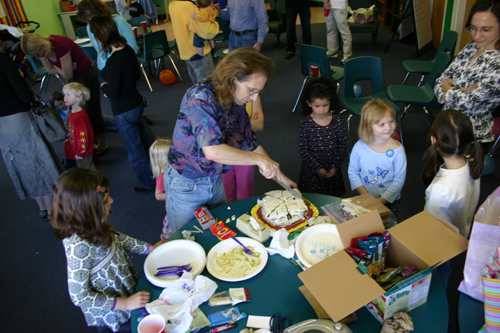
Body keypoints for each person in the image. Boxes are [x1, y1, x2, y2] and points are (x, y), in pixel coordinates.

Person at [166, 47, 296, 232]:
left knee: (219, 231)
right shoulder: (200, 97)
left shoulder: (236, 100)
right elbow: (213, 150)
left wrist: (281, 177)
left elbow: (249, 141)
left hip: (214, 179)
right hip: (186, 185)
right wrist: (260, 161)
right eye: (252, 90)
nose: (254, 98)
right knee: (188, 237)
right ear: (233, 78)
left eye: (258, 92)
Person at [49, 168, 165, 332]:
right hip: (112, 312)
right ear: (87, 210)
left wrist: (149, 249)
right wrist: (124, 304)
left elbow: (118, 238)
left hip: (125, 291)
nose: (111, 200)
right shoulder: (79, 248)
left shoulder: (91, 225)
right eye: (104, 201)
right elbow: (79, 296)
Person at [90, 14, 156, 193]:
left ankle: (148, 183)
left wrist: (104, 85)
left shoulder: (112, 62)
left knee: (135, 151)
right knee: (147, 139)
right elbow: (135, 76)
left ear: (101, 37)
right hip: (136, 103)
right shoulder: (127, 50)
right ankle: (163, 166)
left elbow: (113, 93)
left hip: (124, 110)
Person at [0, 49, 63, 219]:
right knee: (38, 159)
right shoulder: (3, 59)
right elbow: (24, 94)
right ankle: (52, 208)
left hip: (1, 127)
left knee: (21, 163)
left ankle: (42, 206)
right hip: (18, 118)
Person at [423, 110, 483, 286]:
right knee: (446, 267)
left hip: (439, 244)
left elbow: (428, 225)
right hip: (460, 233)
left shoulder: (440, 188)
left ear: (434, 141)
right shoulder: (473, 162)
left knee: (437, 274)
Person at [20, 33, 108, 153]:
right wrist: (63, 68)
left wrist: (63, 70)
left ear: (41, 47)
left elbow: (68, 74)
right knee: (79, 111)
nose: (37, 57)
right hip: (75, 79)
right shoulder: (43, 51)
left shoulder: (60, 45)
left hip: (87, 75)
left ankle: (101, 143)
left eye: (37, 54)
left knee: (92, 109)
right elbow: (51, 69)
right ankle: (90, 141)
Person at [434, 0, 500, 149]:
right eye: (473, 28)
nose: (477, 36)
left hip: (471, 137)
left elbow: (468, 102)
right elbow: (440, 81)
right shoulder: (470, 48)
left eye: (486, 29)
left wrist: (448, 88)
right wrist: (454, 91)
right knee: (437, 169)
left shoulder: (497, 63)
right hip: (447, 126)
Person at [348, 98, 407, 217]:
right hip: (365, 199)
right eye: (382, 124)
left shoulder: (398, 151)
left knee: (388, 229)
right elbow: (353, 172)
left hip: (389, 202)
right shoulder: (360, 147)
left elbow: (398, 180)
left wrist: (380, 202)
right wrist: (367, 197)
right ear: (369, 126)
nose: (389, 127)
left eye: (391, 121)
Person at [298, 77, 346, 197]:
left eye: (326, 105)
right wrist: (317, 168)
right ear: (309, 104)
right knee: (313, 199)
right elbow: (304, 150)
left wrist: (335, 166)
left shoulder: (337, 121)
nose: (322, 109)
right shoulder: (305, 124)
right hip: (312, 170)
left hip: (332, 167)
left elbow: (342, 145)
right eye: (317, 106)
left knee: (333, 199)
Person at [221, 97, 265, 203]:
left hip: (246, 151)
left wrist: (236, 125)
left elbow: (259, 125)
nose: (254, 94)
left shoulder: (253, 97)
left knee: (246, 193)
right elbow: (220, 129)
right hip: (223, 154)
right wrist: (247, 123)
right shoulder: (220, 98)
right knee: (225, 195)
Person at [77, 0, 138, 73]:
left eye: (91, 21)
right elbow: (99, 50)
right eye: (88, 22)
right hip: (103, 67)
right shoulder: (89, 27)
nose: (90, 25)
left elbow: (133, 48)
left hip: (122, 65)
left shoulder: (119, 21)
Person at [169, 0, 220, 84]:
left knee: (197, 85)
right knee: (207, 86)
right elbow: (206, 31)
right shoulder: (187, 6)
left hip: (186, 51)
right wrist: (215, 23)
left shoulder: (172, 4)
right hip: (199, 52)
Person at [62, 83, 96, 171]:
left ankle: (97, 184)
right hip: (76, 148)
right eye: (64, 94)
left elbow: (83, 136)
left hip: (82, 152)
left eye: (68, 95)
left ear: (79, 98)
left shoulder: (79, 117)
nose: (64, 97)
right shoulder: (72, 112)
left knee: (87, 171)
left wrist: (81, 152)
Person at [149, 138, 173, 240]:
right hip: (172, 207)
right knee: (172, 226)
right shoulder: (162, 175)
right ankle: (167, 238)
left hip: (178, 204)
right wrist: (174, 194)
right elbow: (158, 195)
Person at [324, 0, 352, 64]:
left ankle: (347, 55)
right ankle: (332, 51)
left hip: (340, 7)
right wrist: (325, 2)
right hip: (329, 7)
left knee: (344, 32)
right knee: (330, 31)